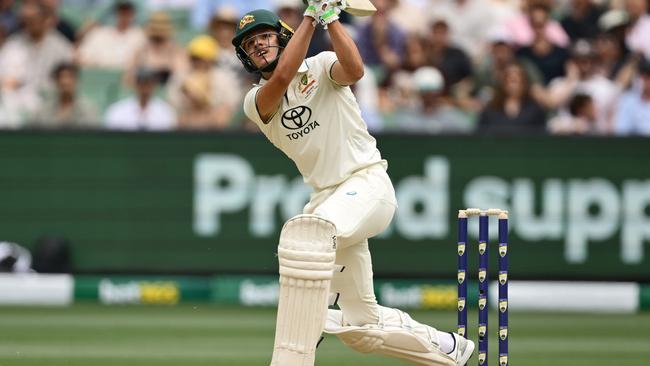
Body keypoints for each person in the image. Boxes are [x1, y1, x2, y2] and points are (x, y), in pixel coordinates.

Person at [232, 4, 473, 366]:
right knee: (363, 328)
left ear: (282, 36)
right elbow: (280, 81)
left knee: (308, 235)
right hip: (330, 199)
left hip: (367, 184)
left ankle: (301, 339)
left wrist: (327, 19)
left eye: (265, 37)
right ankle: (448, 349)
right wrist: (312, 16)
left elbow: (356, 70)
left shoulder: (320, 65)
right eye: (250, 44)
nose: (259, 46)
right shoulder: (254, 102)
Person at [29, 62, 99, 129]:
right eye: (61, 77)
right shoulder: (43, 111)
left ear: (76, 80)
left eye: (70, 77)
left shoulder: (88, 110)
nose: (65, 81)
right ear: (56, 81)